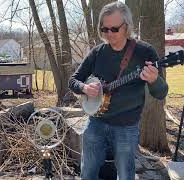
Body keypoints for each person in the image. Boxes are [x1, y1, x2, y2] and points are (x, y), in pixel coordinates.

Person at [68, 2, 168, 180]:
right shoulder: (97, 53)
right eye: (104, 29)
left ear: (127, 26)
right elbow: (73, 80)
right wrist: (84, 88)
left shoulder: (144, 52)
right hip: (96, 123)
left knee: (125, 174)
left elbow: (160, 93)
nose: (108, 34)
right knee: (87, 172)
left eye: (114, 29)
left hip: (127, 127)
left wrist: (153, 80)